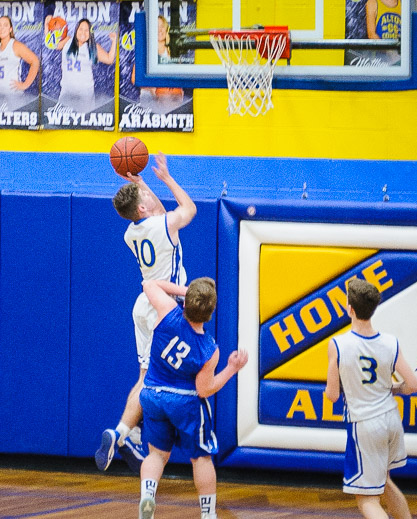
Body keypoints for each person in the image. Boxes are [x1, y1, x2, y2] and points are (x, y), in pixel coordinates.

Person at [95, 153, 196, 471]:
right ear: (140, 208)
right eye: (144, 197)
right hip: (165, 308)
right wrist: (165, 179)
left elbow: (161, 213)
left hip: (143, 305)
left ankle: (130, 431)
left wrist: (142, 183)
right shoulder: (162, 225)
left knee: (146, 376)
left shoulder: (131, 233)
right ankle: (127, 431)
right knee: (170, 379)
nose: (149, 199)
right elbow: (188, 210)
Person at [137, 277, 249, 519]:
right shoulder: (209, 350)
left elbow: (149, 284)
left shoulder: (168, 312)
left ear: (185, 303)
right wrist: (232, 368)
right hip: (184, 403)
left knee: (156, 454)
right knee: (201, 458)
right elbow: (204, 390)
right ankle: (208, 515)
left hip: (153, 394)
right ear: (210, 313)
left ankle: (147, 496)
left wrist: (187, 291)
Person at [326, 278, 417, 519]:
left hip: (364, 424)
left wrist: (330, 392)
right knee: (385, 482)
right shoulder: (391, 342)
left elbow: (333, 395)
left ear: (350, 309)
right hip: (391, 419)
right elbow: (413, 385)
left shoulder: (338, 344)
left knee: (367, 500)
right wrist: (393, 389)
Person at [47, 17, 116, 110]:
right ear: (76, 30)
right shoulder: (67, 40)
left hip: (85, 94)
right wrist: (47, 25)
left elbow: (109, 59)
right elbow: (51, 44)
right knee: (63, 122)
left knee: (83, 122)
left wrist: (114, 41)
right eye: (81, 29)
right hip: (67, 92)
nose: (83, 33)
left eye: (86, 30)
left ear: (90, 32)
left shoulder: (93, 47)